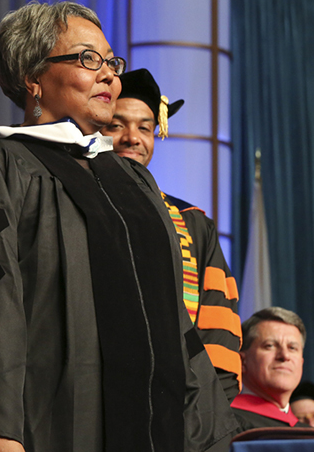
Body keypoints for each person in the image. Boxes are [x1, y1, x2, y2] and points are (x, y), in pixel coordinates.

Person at [0, 1, 239, 452]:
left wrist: (206, 434)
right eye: (89, 59)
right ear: (33, 79)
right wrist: (0, 439)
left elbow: (169, 320)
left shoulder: (134, 181)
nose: (109, 74)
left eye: (111, 61)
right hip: (52, 426)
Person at [102, 68, 242, 402]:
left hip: (178, 404)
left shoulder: (193, 225)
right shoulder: (66, 201)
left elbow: (216, 332)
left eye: (145, 128)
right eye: (116, 125)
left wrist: (210, 415)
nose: (132, 138)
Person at [231, 307, 309, 431]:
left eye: (292, 348)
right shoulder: (225, 424)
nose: (285, 356)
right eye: (270, 346)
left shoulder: (312, 434)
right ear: (242, 361)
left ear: (301, 362)